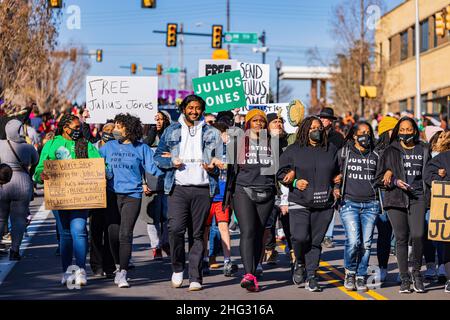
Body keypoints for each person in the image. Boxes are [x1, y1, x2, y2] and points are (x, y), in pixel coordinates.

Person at [153, 95, 222, 292]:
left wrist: (213, 167)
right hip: (178, 188)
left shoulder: (212, 133)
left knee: (198, 234)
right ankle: (177, 267)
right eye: (190, 107)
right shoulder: (171, 130)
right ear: (184, 109)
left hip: (202, 188)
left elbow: (220, 160)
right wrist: (170, 162)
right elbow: (158, 156)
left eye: (198, 108)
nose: (194, 111)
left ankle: (195, 277)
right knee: (175, 229)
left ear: (202, 110)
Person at [34, 114, 100, 286]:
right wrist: (41, 175)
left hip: (80, 196)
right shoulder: (51, 144)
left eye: (79, 128)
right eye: (76, 128)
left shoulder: (85, 145)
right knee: (64, 235)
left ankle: (81, 270)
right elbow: (39, 168)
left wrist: (103, 170)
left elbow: (99, 164)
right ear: (65, 128)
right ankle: (66, 272)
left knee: (79, 230)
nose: (79, 130)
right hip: (59, 197)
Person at [277, 116, 340, 292]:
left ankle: (312, 276)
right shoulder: (293, 150)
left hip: (324, 203)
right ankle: (299, 261)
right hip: (300, 201)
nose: (317, 130)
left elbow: (339, 171)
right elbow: (281, 174)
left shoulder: (330, 149)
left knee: (315, 242)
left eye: (319, 128)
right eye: (312, 127)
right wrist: (295, 182)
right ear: (305, 130)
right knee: (300, 237)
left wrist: (337, 184)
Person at [99, 113, 163, 288]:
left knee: (125, 234)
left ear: (129, 129)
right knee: (112, 234)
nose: (116, 130)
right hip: (111, 194)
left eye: (119, 127)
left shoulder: (141, 148)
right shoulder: (108, 147)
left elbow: (152, 168)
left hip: (132, 196)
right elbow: (94, 163)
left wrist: (170, 165)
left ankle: (123, 272)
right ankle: (118, 264)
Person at [223, 108, 277, 292]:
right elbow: (227, 160)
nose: (259, 124)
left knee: (259, 232)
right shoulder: (238, 142)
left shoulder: (272, 142)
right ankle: (248, 274)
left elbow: (278, 167)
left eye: (262, 121)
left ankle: (253, 271)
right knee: (248, 230)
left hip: (267, 191)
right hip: (242, 190)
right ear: (248, 123)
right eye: (255, 121)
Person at [375, 117, 430, 293]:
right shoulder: (390, 150)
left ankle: (417, 274)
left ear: (415, 130)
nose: (405, 133)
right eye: (402, 130)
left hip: (417, 197)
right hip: (396, 198)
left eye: (409, 129)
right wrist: (392, 179)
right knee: (400, 238)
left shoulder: (423, 149)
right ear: (398, 131)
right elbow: (378, 179)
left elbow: (429, 173)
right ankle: (404, 278)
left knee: (418, 234)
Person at [338, 121, 381, 292]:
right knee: (354, 241)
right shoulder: (344, 152)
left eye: (368, 133)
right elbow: (334, 171)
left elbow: (380, 176)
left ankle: (361, 275)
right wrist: (335, 184)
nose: (366, 136)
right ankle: (350, 272)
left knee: (366, 243)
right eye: (362, 132)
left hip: (371, 204)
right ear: (354, 135)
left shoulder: (375, 155)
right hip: (349, 202)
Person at [202, 121, 238, 277]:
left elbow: (234, 167)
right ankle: (204, 260)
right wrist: (211, 164)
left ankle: (227, 261)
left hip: (223, 196)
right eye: (224, 134)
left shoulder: (230, 150)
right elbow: (202, 165)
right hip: (207, 195)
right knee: (205, 229)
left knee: (224, 227)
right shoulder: (206, 149)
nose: (226, 137)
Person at [0, 120, 39, 260]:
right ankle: (15, 249)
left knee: (0, 218)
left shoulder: (0, 145)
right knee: (18, 220)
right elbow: (35, 161)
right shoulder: (28, 148)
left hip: (3, 182)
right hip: (22, 183)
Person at [140, 111, 171, 259]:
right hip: (150, 183)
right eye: (155, 119)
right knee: (152, 218)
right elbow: (139, 162)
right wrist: (143, 183)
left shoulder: (171, 137)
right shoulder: (144, 139)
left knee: (167, 216)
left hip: (167, 182)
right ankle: (155, 246)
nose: (158, 122)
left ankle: (165, 243)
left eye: (161, 119)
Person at [89, 122, 116, 278]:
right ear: (101, 132)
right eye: (107, 130)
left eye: (113, 130)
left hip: (113, 193)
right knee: (96, 231)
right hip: (95, 194)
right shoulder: (92, 147)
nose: (110, 132)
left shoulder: (119, 148)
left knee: (111, 231)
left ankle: (110, 265)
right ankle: (97, 265)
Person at [374, 116, 398, 282]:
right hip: (382, 197)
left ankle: (402, 271)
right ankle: (382, 268)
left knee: (401, 235)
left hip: (400, 196)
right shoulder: (375, 152)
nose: (396, 133)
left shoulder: (401, 149)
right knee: (384, 234)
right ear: (385, 132)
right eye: (393, 130)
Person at [424, 143, 450, 293]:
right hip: (447, 211)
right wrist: (438, 175)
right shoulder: (443, 158)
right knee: (448, 246)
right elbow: (428, 174)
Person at [318, 107, 344, 249]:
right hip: (317, 174)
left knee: (331, 205)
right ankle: (319, 234)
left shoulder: (338, 137)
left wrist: (340, 174)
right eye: (320, 118)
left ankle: (328, 236)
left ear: (331, 121)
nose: (322, 120)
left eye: (325, 118)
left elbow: (342, 156)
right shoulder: (314, 133)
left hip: (333, 174)